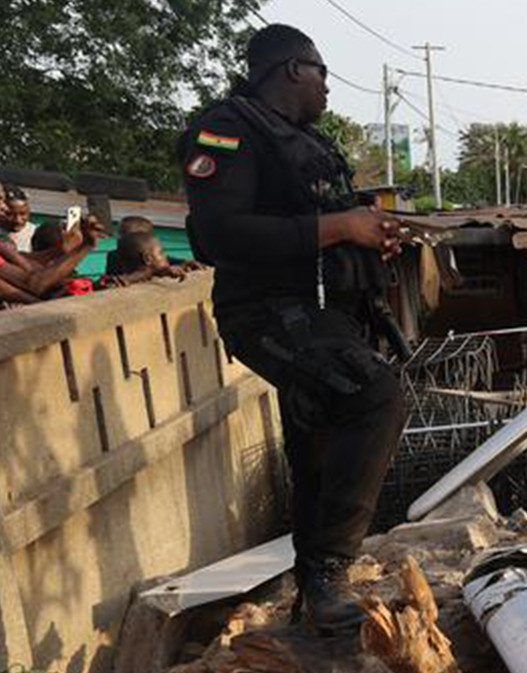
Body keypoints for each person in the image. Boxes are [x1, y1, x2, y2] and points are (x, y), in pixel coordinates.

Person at [182, 23, 407, 633]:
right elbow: (216, 234)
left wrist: (369, 236)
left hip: (328, 311)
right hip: (268, 311)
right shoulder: (230, 129)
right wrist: (340, 229)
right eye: (322, 72)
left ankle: (315, 599)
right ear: (291, 70)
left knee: (318, 444)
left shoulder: (306, 142)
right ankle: (333, 571)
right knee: (376, 397)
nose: (329, 87)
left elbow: (322, 220)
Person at [3, 188, 35, 252]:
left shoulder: (36, 233)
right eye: (10, 214)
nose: (17, 220)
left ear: (29, 211)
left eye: (23, 214)